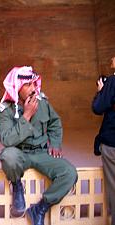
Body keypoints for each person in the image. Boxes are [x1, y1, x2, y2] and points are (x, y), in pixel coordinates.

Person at [0, 66, 78, 225]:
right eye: (28, 85)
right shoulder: (5, 110)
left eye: (34, 84)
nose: (33, 88)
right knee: (8, 156)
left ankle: (39, 209)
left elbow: (55, 122)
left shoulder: (42, 102)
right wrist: (26, 115)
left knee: (69, 172)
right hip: (20, 153)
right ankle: (17, 186)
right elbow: (7, 140)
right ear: (16, 87)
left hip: (41, 152)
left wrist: (55, 143)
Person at [92, 56, 115, 225]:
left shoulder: (112, 81)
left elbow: (98, 108)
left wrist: (101, 91)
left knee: (113, 186)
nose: (111, 59)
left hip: (113, 142)